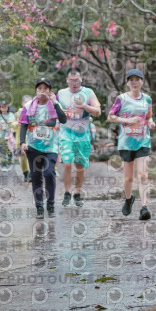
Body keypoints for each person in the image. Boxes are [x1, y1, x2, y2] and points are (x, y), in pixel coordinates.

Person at [107, 69, 156, 220]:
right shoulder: (121, 99)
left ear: (142, 81)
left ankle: (144, 208)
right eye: (131, 80)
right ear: (127, 82)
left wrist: (150, 122)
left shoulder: (147, 99)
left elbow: (149, 116)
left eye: (137, 79)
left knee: (143, 174)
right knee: (128, 178)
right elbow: (110, 117)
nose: (134, 82)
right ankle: (129, 199)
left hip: (143, 141)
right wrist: (128, 120)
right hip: (126, 142)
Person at [19, 78, 67, 218]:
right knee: (36, 177)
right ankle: (39, 207)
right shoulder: (28, 106)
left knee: (49, 173)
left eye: (45, 88)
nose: (42, 91)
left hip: (51, 146)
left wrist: (55, 102)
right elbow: (23, 125)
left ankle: (50, 205)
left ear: (50, 91)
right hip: (33, 146)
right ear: (36, 91)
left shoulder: (55, 105)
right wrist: (22, 142)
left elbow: (63, 120)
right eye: (39, 88)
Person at [57, 68, 101, 207]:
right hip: (66, 134)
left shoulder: (88, 92)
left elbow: (98, 112)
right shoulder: (61, 93)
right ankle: (67, 192)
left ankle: (77, 192)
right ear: (67, 80)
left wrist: (84, 106)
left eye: (76, 80)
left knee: (80, 166)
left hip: (82, 135)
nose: (74, 83)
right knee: (67, 163)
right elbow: (54, 110)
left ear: (81, 79)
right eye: (71, 81)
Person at [13, 95, 32, 182]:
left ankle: (31, 175)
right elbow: (11, 123)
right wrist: (17, 123)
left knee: (31, 157)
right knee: (22, 159)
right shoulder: (18, 113)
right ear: (22, 103)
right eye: (26, 102)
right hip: (20, 139)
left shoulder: (34, 112)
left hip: (31, 140)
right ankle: (25, 174)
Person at [0, 100, 16, 171]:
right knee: (3, 151)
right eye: (2, 107)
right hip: (1, 135)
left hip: (10, 135)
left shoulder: (11, 115)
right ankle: (4, 165)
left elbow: (13, 124)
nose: (3, 108)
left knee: (10, 151)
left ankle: (9, 162)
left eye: (5, 107)